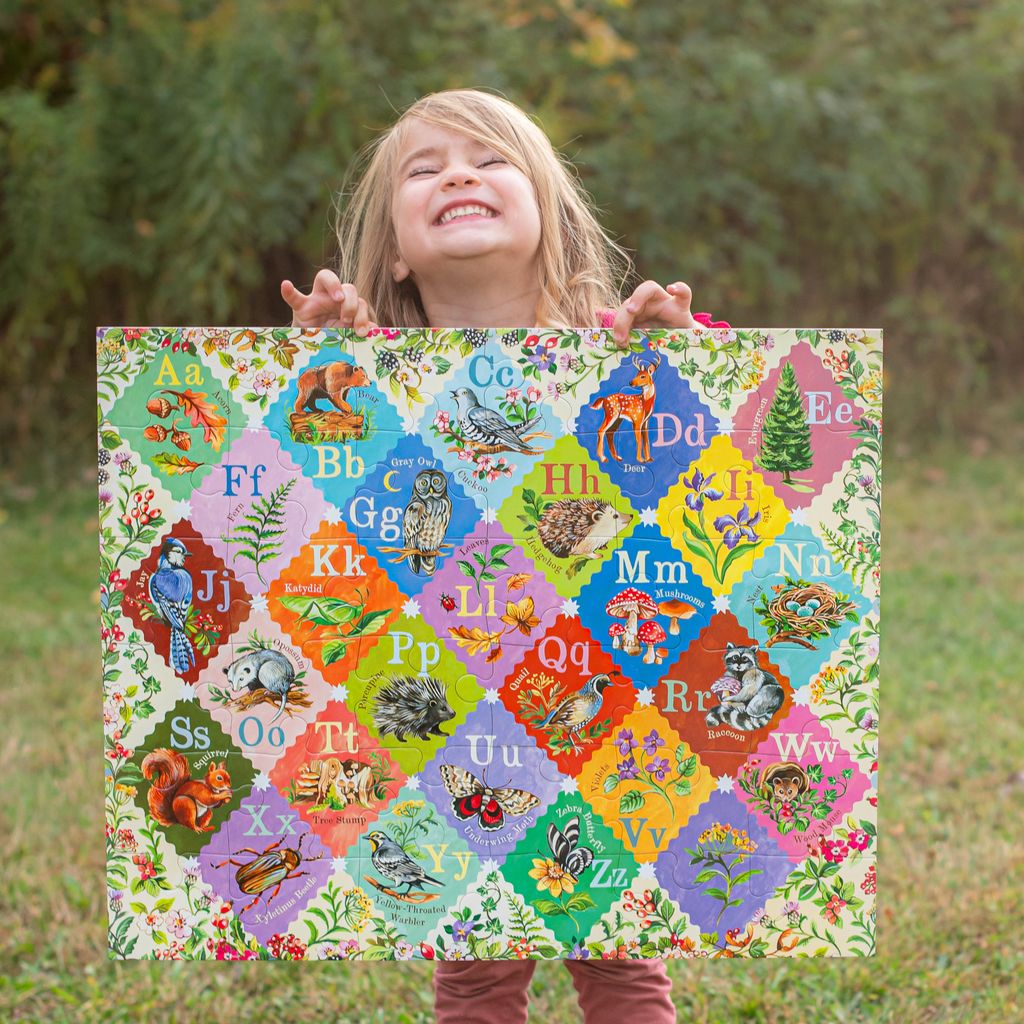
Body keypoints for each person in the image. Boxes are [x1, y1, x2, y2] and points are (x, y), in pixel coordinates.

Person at [282, 87, 729, 1024]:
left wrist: (692, 358)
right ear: (396, 249)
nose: (458, 175)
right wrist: (309, 360)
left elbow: (718, 469)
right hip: (445, 701)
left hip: (599, 686)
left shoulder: (617, 355)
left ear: (547, 213)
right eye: (425, 168)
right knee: (476, 960)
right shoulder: (369, 376)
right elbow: (299, 477)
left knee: (617, 950)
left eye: (489, 160)